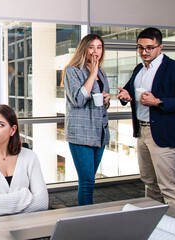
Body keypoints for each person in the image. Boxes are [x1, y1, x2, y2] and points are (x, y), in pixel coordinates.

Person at [117, 27, 175, 212]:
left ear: (160, 47)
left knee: (169, 186)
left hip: (164, 134)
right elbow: (130, 91)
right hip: (142, 132)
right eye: (140, 48)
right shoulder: (139, 69)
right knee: (149, 182)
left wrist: (158, 102)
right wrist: (125, 95)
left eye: (149, 47)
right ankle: (155, 224)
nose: (144, 52)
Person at [62, 33, 110, 206]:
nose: (95, 51)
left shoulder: (102, 73)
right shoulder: (72, 70)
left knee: (90, 180)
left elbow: (101, 103)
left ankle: (86, 217)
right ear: (84, 49)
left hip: (99, 133)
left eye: (99, 47)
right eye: (91, 47)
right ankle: (86, 221)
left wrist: (106, 99)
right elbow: (79, 99)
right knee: (87, 181)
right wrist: (92, 74)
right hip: (81, 133)